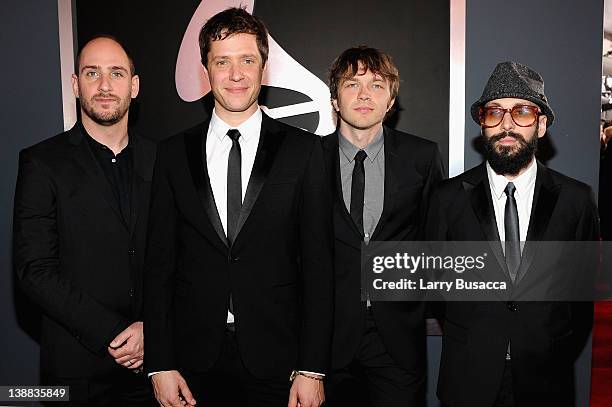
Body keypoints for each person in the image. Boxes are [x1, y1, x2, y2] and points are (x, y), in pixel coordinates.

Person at [144, 7, 333, 407]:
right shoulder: (172, 154)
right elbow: (159, 264)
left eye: (247, 60)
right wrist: (159, 365)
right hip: (191, 363)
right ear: (205, 70)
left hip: (279, 363)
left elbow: (319, 266)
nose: (236, 74)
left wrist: (312, 368)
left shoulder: (305, 151)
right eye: (222, 62)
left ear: (264, 68)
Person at [425, 61, 598, 407]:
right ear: (482, 125)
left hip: (546, 380)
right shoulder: (446, 199)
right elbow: (437, 289)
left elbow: (581, 298)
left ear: (542, 124)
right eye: (494, 113)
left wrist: (548, 342)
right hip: (468, 379)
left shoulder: (576, 200)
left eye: (521, 112)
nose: (506, 125)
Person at [13, 35, 156, 406]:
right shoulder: (42, 163)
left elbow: (183, 260)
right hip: (77, 375)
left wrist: (151, 330)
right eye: (92, 73)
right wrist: (115, 332)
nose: (105, 85)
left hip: (157, 369)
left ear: (134, 86)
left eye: (117, 73)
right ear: (76, 84)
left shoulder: (164, 161)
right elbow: (35, 269)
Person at [321, 46, 444, 407]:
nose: (363, 95)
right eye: (351, 84)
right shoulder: (308, 158)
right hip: (326, 340)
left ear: (391, 100)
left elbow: (433, 242)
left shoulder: (422, 157)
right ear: (334, 99)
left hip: (397, 338)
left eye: (376, 85)